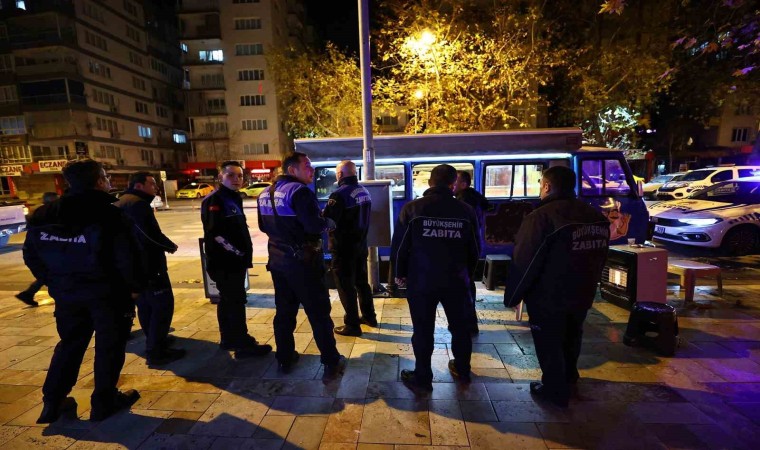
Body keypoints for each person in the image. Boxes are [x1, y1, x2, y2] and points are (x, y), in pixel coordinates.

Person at [22, 159, 142, 423]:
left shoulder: (44, 214)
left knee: (70, 344)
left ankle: (53, 401)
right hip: (108, 295)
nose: (108, 181)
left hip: (68, 295)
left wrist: (53, 281)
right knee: (109, 347)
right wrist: (134, 289)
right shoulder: (110, 214)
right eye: (105, 177)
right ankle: (104, 402)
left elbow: (31, 254)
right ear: (98, 181)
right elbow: (127, 258)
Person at [504, 165, 610, 408]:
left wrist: (513, 296)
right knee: (573, 335)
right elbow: (602, 256)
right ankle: (569, 377)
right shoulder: (594, 215)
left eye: (541, 185)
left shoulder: (542, 217)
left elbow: (525, 260)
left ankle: (554, 389)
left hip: (549, 295)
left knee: (549, 341)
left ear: (547, 186)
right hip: (583, 291)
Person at [390, 164, 480, 393]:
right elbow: (475, 249)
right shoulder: (466, 211)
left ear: (430, 182)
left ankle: (422, 377)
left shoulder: (412, 209)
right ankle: (462, 369)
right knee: (460, 328)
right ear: (453, 184)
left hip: (422, 280)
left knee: (422, 329)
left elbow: (400, 247)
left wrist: (399, 275)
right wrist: (467, 274)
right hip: (456, 280)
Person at [258, 152, 346, 378]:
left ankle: (284, 358)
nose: (311, 170)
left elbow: (263, 227)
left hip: (278, 262)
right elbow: (313, 226)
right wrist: (327, 222)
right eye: (306, 166)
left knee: (284, 313)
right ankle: (331, 361)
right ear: (292, 170)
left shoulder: (264, 193)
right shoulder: (300, 191)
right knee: (318, 313)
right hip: (304, 265)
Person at [201, 161, 272, 359]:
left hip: (233, 261)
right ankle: (242, 344)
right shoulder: (215, 200)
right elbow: (215, 233)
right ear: (220, 177)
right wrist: (237, 252)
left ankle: (229, 339)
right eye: (231, 175)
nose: (236, 179)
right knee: (235, 302)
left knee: (228, 300)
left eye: (239, 176)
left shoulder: (233, 198)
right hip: (225, 262)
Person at [115, 172, 185, 366]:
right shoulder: (137, 204)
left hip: (133, 266)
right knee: (162, 306)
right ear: (139, 186)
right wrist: (168, 245)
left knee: (146, 305)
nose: (156, 187)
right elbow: (148, 234)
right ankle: (156, 350)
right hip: (148, 264)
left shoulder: (122, 201)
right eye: (152, 183)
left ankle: (154, 339)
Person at [323, 160, 376, 337]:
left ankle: (352, 325)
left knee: (345, 286)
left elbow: (328, 221)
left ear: (340, 174)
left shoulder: (339, 195)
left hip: (343, 248)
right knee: (362, 282)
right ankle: (369, 316)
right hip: (360, 245)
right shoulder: (363, 191)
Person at [453, 170, 490, 335]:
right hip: (473, 246)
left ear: (463, 184)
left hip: (465, 248)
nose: (452, 184)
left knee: (464, 286)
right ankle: (470, 323)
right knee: (468, 284)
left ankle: (469, 324)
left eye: (456, 181)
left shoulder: (464, 201)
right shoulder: (473, 197)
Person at [15, 191, 59, 306]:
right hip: (41, 250)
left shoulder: (39, 213)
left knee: (46, 274)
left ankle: (28, 294)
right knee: (48, 275)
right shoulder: (48, 214)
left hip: (37, 250)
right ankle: (28, 293)